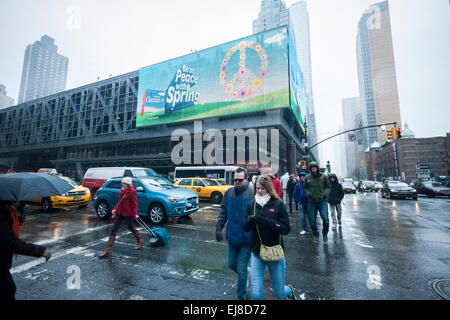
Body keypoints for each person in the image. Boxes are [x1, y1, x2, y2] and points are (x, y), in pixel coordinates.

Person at [243, 175, 296, 300]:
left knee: (279, 294)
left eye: (262, 188)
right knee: (255, 295)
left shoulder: (278, 204)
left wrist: (267, 222)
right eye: (257, 188)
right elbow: (245, 227)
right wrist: (250, 221)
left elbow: (285, 229)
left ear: (268, 188)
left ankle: (289, 291)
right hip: (257, 252)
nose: (260, 191)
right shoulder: (252, 205)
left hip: (275, 252)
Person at [0, 201, 52, 301]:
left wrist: (16, 221)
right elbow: (10, 242)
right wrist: (40, 251)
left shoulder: (5, 211)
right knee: (8, 289)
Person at [216, 167, 254, 300]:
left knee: (241, 269)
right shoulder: (229, 192)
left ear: (247, 179)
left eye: (240, 180)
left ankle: (241, 297)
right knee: (232, 265)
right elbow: (223, 212)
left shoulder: (253, 193)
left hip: (246, 239)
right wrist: (219, 227)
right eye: (235, 180)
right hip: (232, 237)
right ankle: (247, 273)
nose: (237, 182)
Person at [99, 177, 143, 258]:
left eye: (125, 184)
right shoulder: (122, 190)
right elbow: (120, 201)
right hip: (120, 212)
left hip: (128, 213)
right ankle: (108, 249)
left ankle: (140, 241)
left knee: (131, 228)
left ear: (128, 185)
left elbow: (135, 204)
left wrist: (135, 213)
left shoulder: (132, 192)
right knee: (114, 229)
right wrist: (115, 209)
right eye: (122, 183)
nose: (123, 185)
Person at [303, 162, 331, 243]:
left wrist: (324, 194)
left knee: (325, 219)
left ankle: (325, 234)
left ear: (317, 167)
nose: (313, 168)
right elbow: (305, 187)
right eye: (311, 167)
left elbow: (328, 187)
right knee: (311, 219)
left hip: (322, 202)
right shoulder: (307, 177)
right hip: (312, 202)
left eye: (315, 167)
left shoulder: (324, 176)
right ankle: (316, 234)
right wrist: (308, 193)